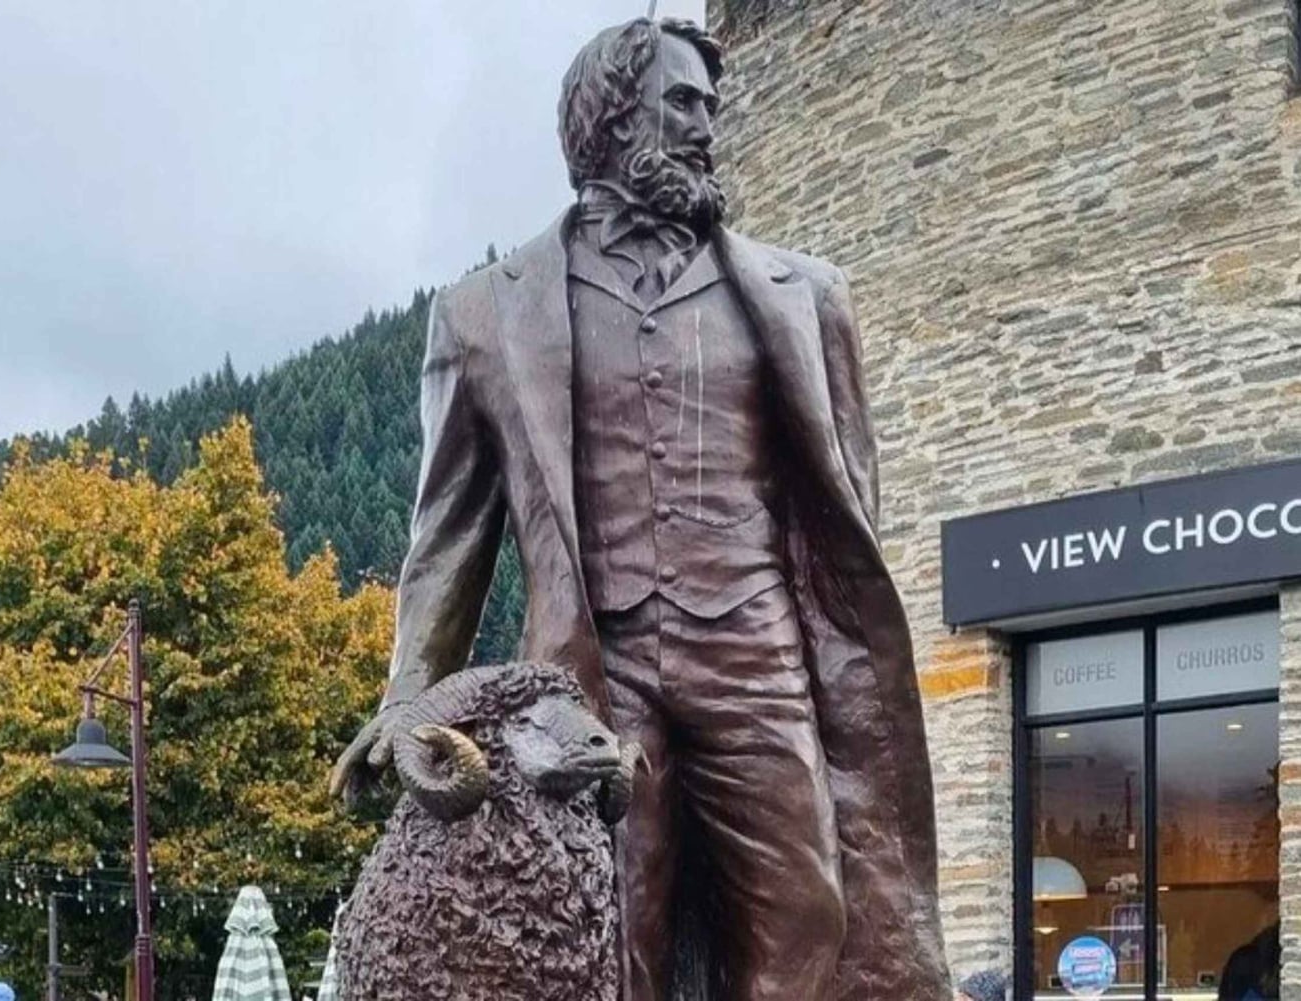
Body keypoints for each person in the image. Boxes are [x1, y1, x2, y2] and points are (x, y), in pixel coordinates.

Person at [331, 16, 950, 1001]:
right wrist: (411, 692)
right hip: (590, 677)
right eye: (684, 103)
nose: (707, 127)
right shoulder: (484, 312)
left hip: (759, 652)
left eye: (710, 106)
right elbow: (447, 533)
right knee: (609, 922)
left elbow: (845, 510)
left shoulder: (807, 296)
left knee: (807, 906)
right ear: (615, 118)